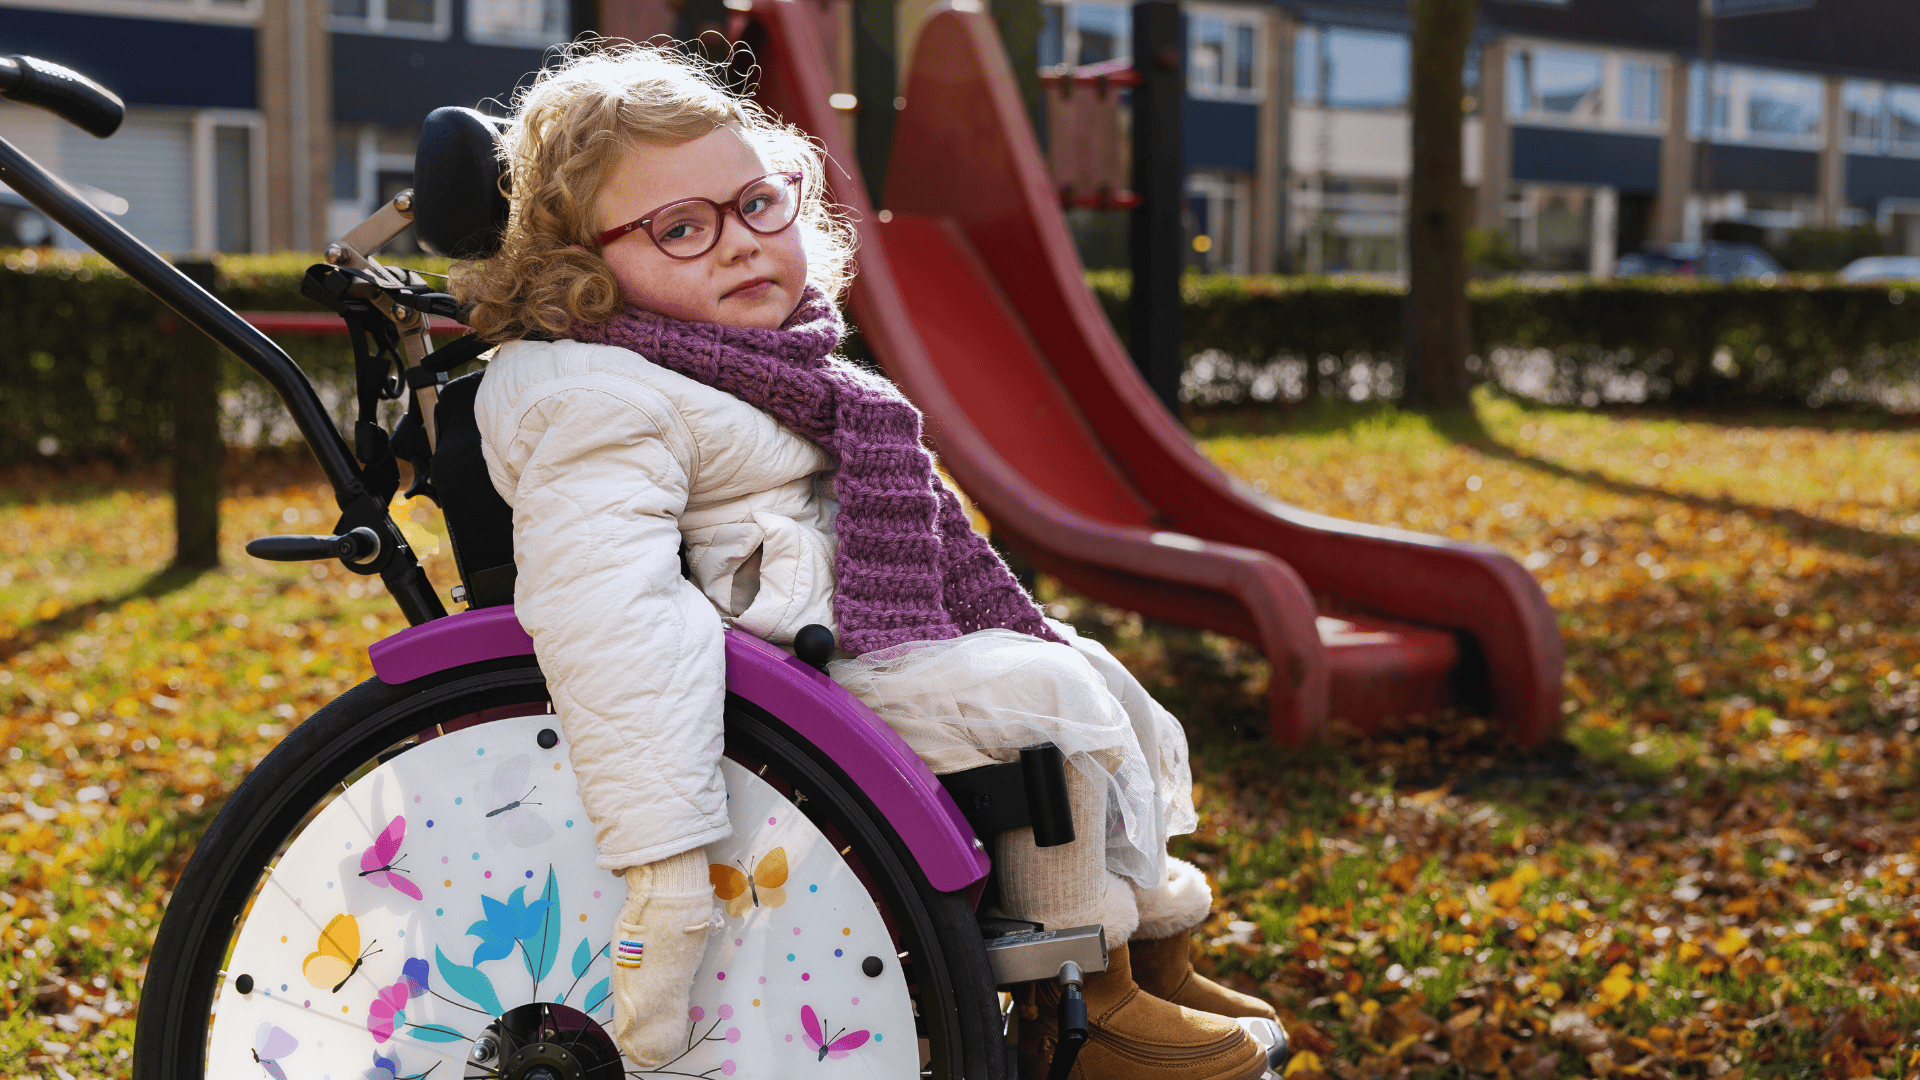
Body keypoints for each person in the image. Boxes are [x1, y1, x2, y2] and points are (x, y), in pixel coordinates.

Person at [458, 42, 1276, 1080]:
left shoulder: (773, 364)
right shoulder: (599, 399)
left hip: (827, 644)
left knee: (1085, 668)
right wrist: (665, 868)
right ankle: (1092, 1004)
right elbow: (614, 624)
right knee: (1040, 697)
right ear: (581, 271)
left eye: (756, 203)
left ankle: (1155, 954)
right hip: (770, 684)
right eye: (680, 228)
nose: (740, 244)